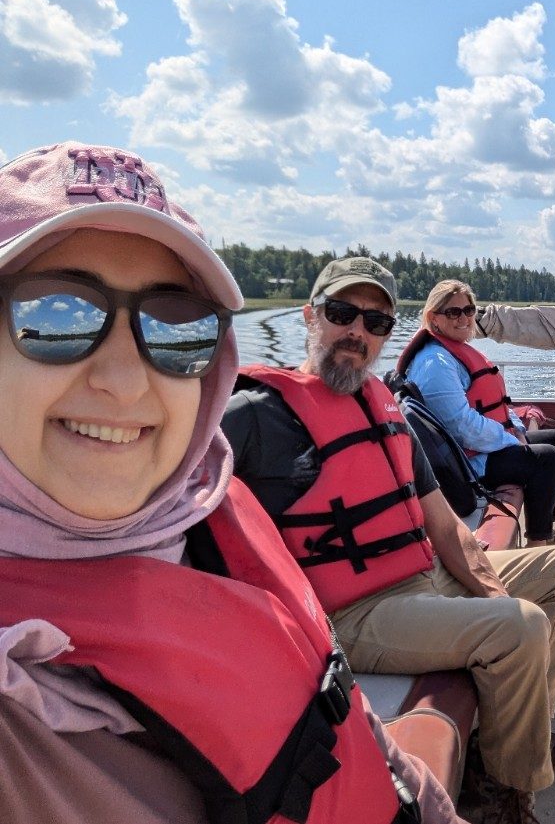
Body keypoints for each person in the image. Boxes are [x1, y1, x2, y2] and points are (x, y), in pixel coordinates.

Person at [0, 142, 457, 824]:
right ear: (310, 315)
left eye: (176, 325)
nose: (125, 382)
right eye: (57, 314)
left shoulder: (208, 511)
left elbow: (338, 709)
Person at [223, 257, 555, 823]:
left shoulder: (385, 410)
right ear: (309, 316)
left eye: (377, 323)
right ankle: (505, 789)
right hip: (354, 612)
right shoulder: (252, 417)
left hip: (422, 577)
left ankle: (514, 738)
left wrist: (490, 589)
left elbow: (443, 524)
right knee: (521, 627)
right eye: (343, 314)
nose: (357, 333)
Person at [400, 279, 555, 549]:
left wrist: (517, 430)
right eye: (453, 312)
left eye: (469, 310)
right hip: (468, 465)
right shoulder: (434, 364)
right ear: (433, 318)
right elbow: (462, 427)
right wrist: (512, 440)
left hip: (480, 450)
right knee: (547, 458)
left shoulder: (451, 351)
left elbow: (489, 407)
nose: (464, 317)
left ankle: (545, 529)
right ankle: (537, 544)